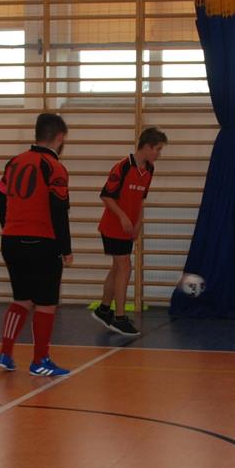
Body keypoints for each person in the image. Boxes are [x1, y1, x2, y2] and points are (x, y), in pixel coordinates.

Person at [0, 113, 72, 377]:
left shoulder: (14, 162)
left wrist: (9, 226)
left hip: (11, 240)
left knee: (22, 298)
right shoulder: (54, 166)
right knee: (46, 302)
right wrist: (66, 248)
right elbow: (58, 209)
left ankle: (5, 353)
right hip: (42, 241)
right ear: (59, 137)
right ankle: (40, 359)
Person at [94, 127, 167, 336]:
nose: (159, 154)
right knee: (125, 267)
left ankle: (103, 309)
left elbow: (141, 200)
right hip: (112, 226)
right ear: (147, 147)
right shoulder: (123, 166)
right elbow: (106, 196)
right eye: (158, 149)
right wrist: (123, 216)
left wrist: (138, 223)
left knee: (118, 268)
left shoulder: (149, 169)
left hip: (127, 229)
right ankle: (119, 317)